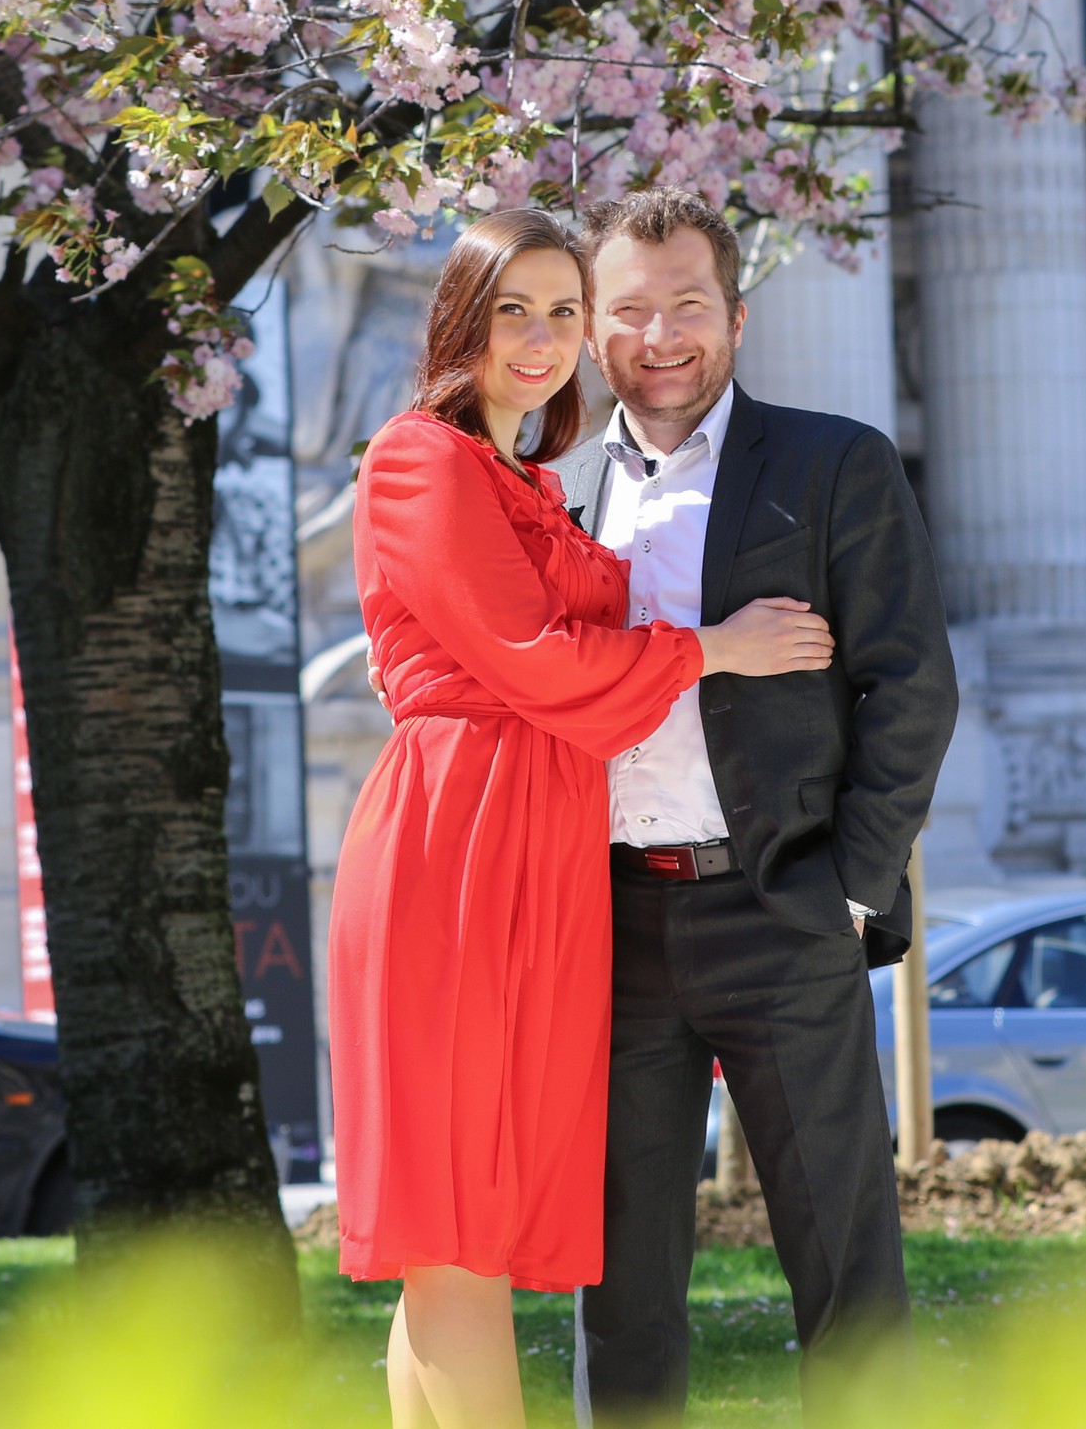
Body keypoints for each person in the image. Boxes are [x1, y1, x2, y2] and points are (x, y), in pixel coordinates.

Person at [326, 209, 837, 1429]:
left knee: (471, 1227)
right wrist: (718, 649)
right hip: (459, 847)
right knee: (457, 1224)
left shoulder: (530, 481)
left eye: (565, 310)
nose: (544, 337)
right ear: (460, 316)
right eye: (515, 308)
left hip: (535, 842)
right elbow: (537, 659)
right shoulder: (420, 457)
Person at [558, 190, 959, 1426]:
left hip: (783, 901)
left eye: (687, 303)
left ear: (736, 315)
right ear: (591, 330)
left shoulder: (834, 462)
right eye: (628, 309)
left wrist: (851, 881)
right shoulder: (554, 487)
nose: (660, 333)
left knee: (843, 1263)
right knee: (617, 1282)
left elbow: (911, 684)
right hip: (611, 923)